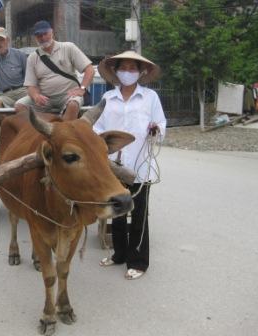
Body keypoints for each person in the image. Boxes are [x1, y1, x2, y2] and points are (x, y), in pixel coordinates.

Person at [93, 50, 166, 280]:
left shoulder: (150, 98)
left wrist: (156, 129)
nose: (127, 72)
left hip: (140, 166)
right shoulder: (108, 99)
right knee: (117, 212)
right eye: (123, 68)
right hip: (114, 166)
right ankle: (119, 255)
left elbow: (161, 124)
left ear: (141, 72)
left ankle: (139, 262)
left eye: (132, 68)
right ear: (115, 72)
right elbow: (97, 128)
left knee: (139, 215)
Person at [15, 20, 95, 120]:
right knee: (20, 106)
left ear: (52, 32)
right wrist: (36, 96)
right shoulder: (32, 57)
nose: (43, 38)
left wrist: (82, 89)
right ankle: (38, 131)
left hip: (68, 95)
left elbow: (90, 69)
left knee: (73, 104)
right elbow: (31, 85)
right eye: (39, 35)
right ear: (35, 37)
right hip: (45, 98)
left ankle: (64, 134)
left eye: (45, 33)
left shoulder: (68, 47)